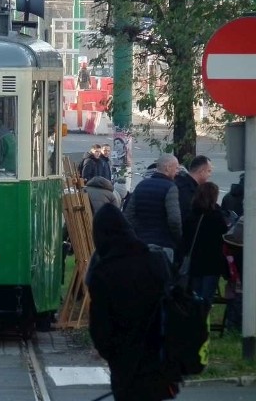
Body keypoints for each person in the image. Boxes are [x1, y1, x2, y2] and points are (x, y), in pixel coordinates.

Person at [87, 204, 179, 401]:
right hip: (159, 354)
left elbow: (99, 325)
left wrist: (110, 352)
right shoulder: (156, 260)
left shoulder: (103, 273)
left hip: (125, 360)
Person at [124, 154, 181, 260]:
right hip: (163, 245)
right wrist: (178, 239)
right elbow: (174, 220)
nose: (177, 171)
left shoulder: (141, 185)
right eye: (176, 167)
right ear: (168, 168)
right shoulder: (170, 188)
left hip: (141, 243)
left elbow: (128, 216)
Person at [180, 182, 228, 304]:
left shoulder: (191, 215)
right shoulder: (216, 216)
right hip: (212, 263)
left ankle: (194, 319)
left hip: (195, 261)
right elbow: (223, 235)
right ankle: (202, 319)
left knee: (194, 296)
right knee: (206, 298)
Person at [175, 155, 213, 223]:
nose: (210, 175)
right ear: (202, 172)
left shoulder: (181, 183)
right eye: (209, 171)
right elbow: (184, 216)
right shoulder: (186, 189)